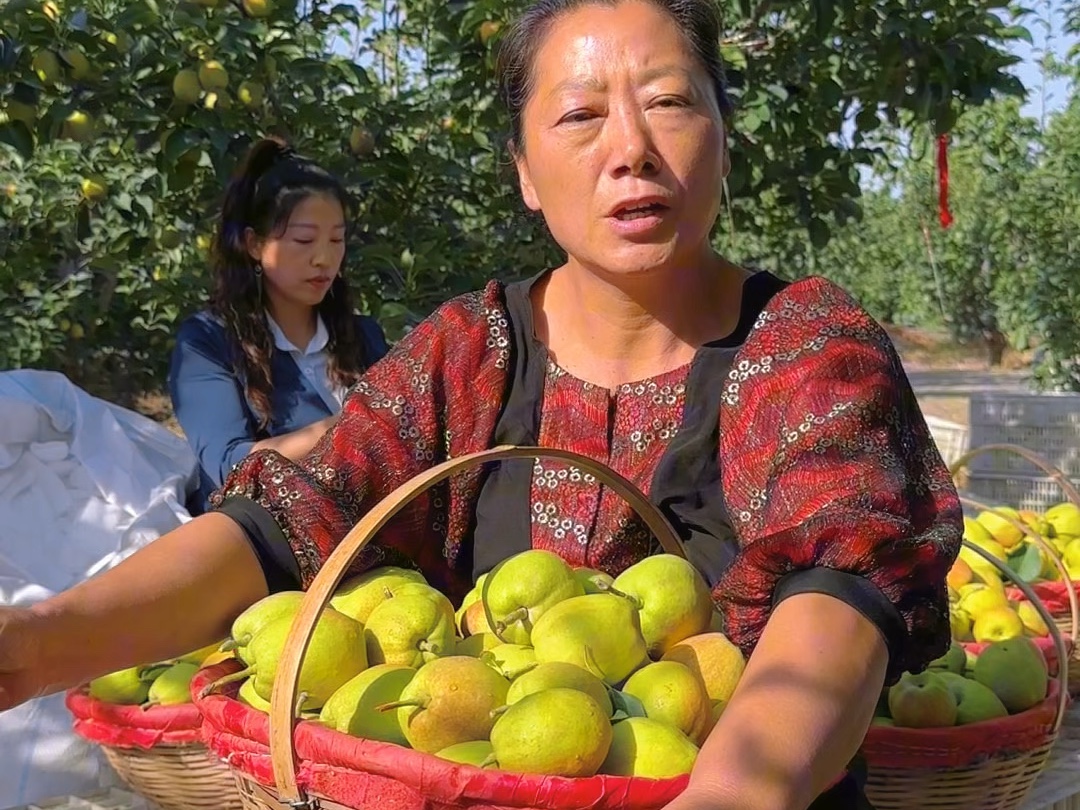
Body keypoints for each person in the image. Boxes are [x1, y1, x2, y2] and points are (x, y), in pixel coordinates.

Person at [0, 2, 961, 809]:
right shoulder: (470, 350)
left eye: (670, 101)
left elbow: (840, 593)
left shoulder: (804, 345)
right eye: (580, 115)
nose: (632, 148)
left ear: (722, 138)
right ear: (525, 175)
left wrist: (739, 789)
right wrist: (42, 646)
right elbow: (283, 523)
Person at [168, 137, 390, 512]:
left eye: (337, 240)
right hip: (257, 541)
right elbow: (229, 465)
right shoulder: (207, 342)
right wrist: (346, 427)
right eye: (304, 240)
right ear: (254, 244)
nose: (324, 258)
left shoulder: (361, 336)